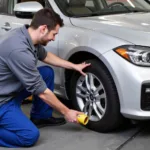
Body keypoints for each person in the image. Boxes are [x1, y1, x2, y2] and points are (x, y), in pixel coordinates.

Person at [0, 8, 90, 148]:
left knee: (46, 72)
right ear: (43, 29)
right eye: (54, 34)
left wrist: (73, 66)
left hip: (9, 89)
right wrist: (67, 112)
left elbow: (45, 56)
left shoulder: (27, 36)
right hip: (2, 101)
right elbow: (41, 92)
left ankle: (40, 117)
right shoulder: (19, 50)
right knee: (29, 136)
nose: (54, 38)